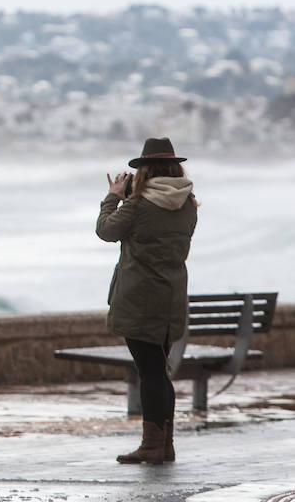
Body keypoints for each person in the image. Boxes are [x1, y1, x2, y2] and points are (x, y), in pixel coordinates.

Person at [96, 137, 197, 464]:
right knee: (159, 371)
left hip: (140, 300)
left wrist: (113, 198)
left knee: (150, 373)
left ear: (145, 170)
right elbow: (153, 230)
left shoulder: (138, 207)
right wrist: (130, 200)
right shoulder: (187, 204)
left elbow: (107, 230)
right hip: (171, 299)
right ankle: (164, 444)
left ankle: (152, 446)